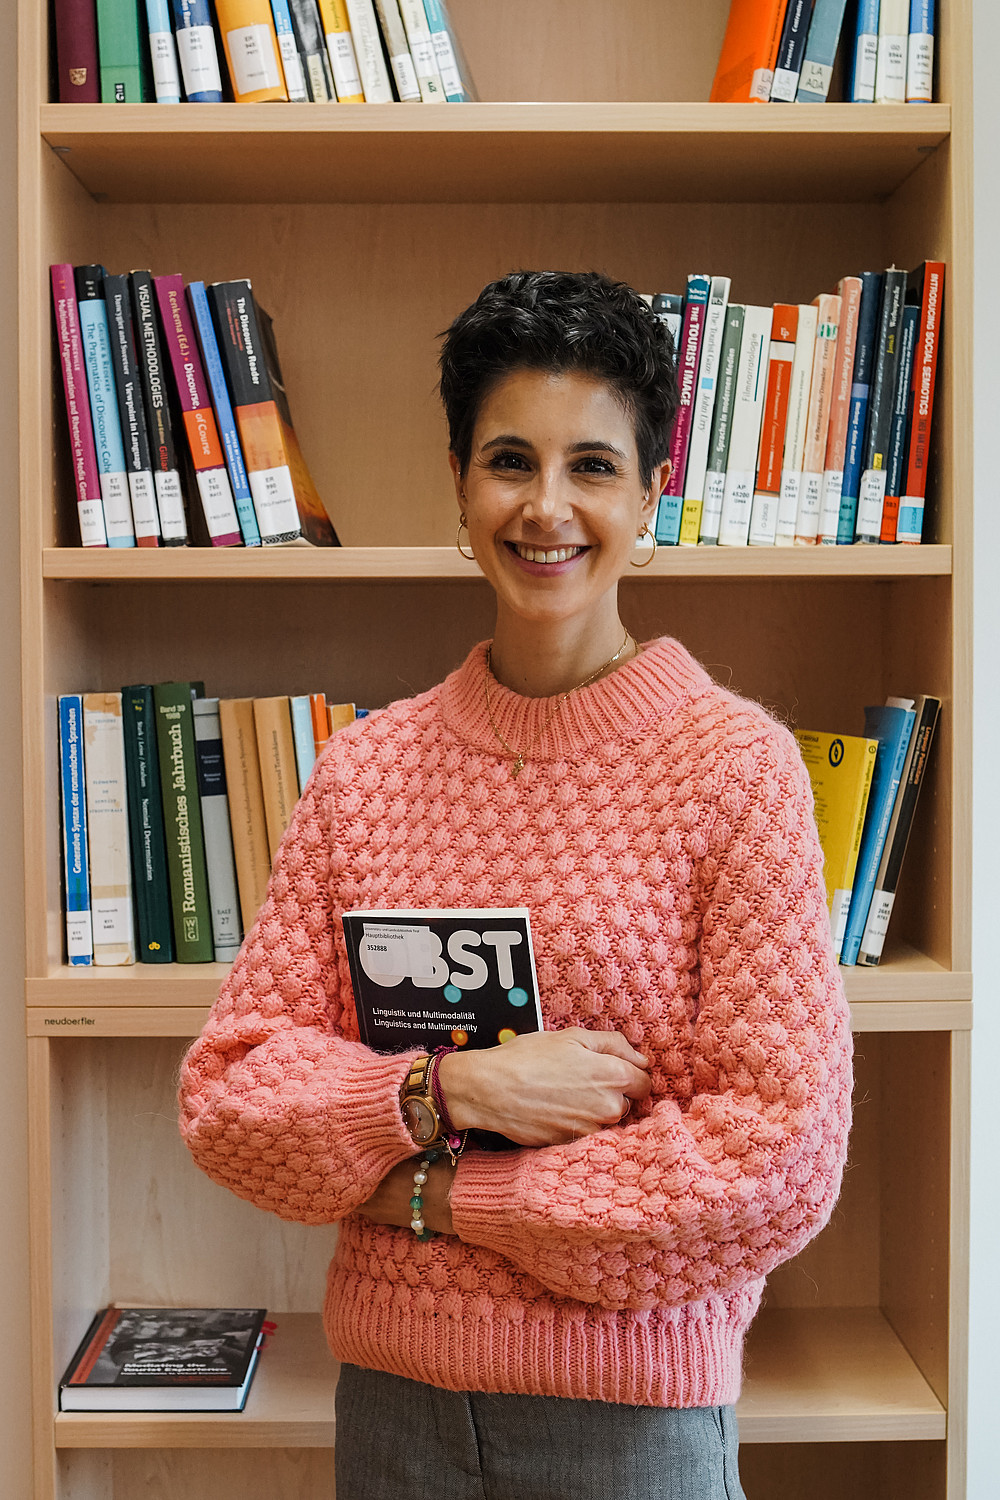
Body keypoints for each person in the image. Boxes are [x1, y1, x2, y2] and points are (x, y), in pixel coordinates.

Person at [178, 270, 853, 1500]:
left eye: (592, 465)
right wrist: (453, 1089)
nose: (548, 507)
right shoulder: (366, 770)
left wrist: (439, 1193)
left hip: (632, 1426)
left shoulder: (734, 768)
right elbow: (234, 1097)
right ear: (458, 486)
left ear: (650, 498)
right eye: (509, 460)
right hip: (392, 1419)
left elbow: (773, 1163)